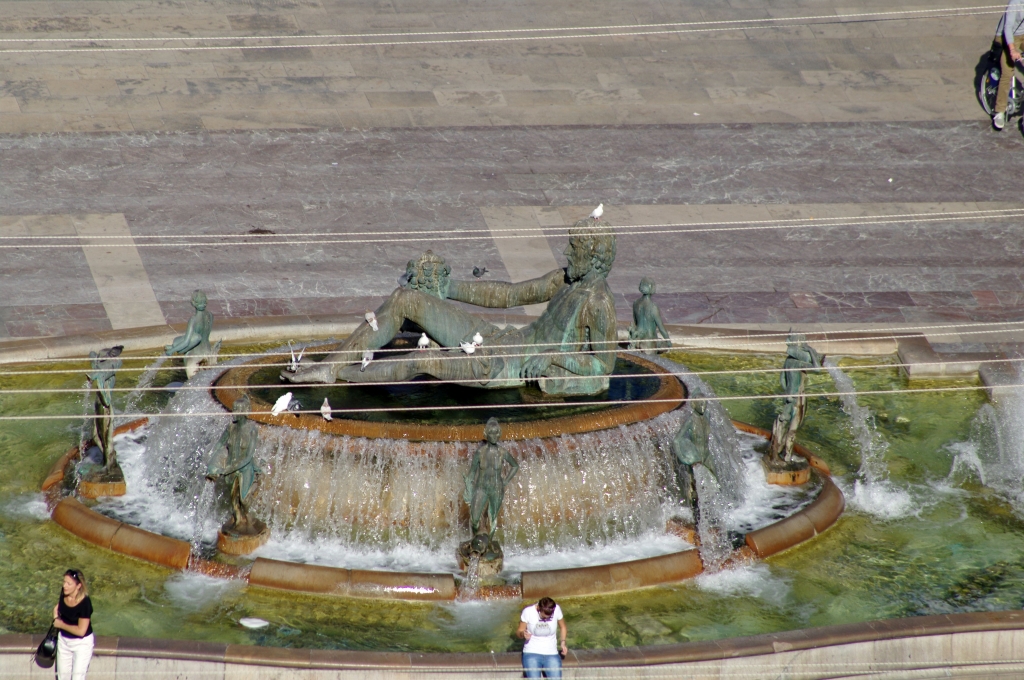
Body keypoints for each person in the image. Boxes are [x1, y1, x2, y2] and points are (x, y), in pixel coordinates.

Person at [283, 220, 618, 397]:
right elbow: (510, 295)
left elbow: (603, 367)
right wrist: (449, 289)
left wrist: (554, 357)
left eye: (574, 247)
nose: (567, 252)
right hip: (497, 338)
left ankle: (338, 375)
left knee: (423, 360)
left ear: (594, 256)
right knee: (405, 297)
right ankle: (330, 367)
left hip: (502, 366)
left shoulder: (598, 303)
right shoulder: (566, 279)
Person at [52, 569, 93, 680]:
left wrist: (61, 625)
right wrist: (55, 617)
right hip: (64, 642)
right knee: (62, 677)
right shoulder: (64, 594)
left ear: (78, 586)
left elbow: (81, 631)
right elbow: (59, 610)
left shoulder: (84, 603)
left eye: (69, 583)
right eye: (64, 582)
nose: (64, 586)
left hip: (81, 644)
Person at [517, 597, 567, 679]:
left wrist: (563, 642)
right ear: (538, 609)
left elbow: (563, 627)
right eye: (544, 617)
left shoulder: (556, 609)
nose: (546, 619)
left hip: (551, 653)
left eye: (549, 617)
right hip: (532, 652)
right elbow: (519, 631)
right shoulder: (528, 611)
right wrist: (523, 634)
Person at [993, 1, 1024, 129]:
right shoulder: (1015, 2)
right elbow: (1008, 27)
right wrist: (1012, 50)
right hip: (1008, 35)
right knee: (1007, 73)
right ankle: (1000, 111)